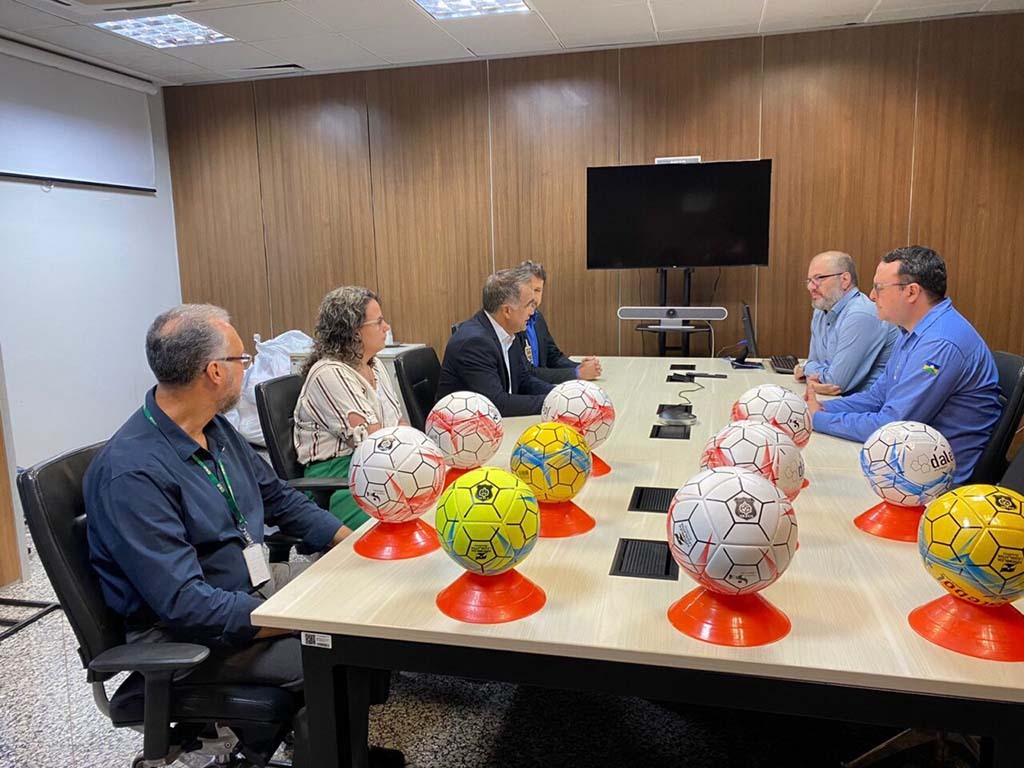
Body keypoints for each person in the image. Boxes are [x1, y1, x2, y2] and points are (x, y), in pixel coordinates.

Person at [85, 304, 348, 766]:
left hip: (246, 590)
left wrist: (347, 539)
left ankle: (331, 746)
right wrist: (298, 617)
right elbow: (188, 606)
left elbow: (278, 499)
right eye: (241, 361)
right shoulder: (132, 474)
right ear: (213, 372)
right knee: (340, 648)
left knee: (355, 597)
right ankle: (324, 749)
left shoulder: (213, 427)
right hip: (189, 636)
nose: (246, 370)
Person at [806, 246, 1001, 483]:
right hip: (908, 460)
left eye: (879, 287)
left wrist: (818, 419)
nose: (872, 296)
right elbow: (877, 398)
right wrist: (822, 409)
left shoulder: (940, 342)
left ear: (911, 292)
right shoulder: (911, 332)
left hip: (933, 482)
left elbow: (892, 425)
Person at [293, 286, 405, 530]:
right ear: (354, 333)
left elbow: (400, 425)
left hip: (382, 465)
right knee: (402, 523)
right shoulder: (328, 373)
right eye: (379, 322)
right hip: (339, 479)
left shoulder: (374, 366)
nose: (386, 327)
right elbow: (372, 442)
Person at [437, 268, 553, 416]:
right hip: (465, 431)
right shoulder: (474, 343)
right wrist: (553, 403)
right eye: (529, 305)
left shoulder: (510, 333)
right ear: (507, 311)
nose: (532, 312)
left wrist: (560, 394)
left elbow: (524, 380)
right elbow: (497, 404)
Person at [794, 250, 897, 395]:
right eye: (809, 281)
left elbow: (835, 383)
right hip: (839, 400)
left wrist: (806, 369)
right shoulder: (821, 310)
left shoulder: (860, 314)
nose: (811, 287)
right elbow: (814, 362)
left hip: (869, 407)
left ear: (845, 280)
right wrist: (811, 369)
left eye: (819, 278)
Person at [515, 260, 602, 384]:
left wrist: (579, 367)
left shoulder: (537, 318)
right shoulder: (514, 322)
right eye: (531, 290)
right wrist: (577, 373)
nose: (534, 297)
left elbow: (553, 357)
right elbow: (527, 372)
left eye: (538, 290)